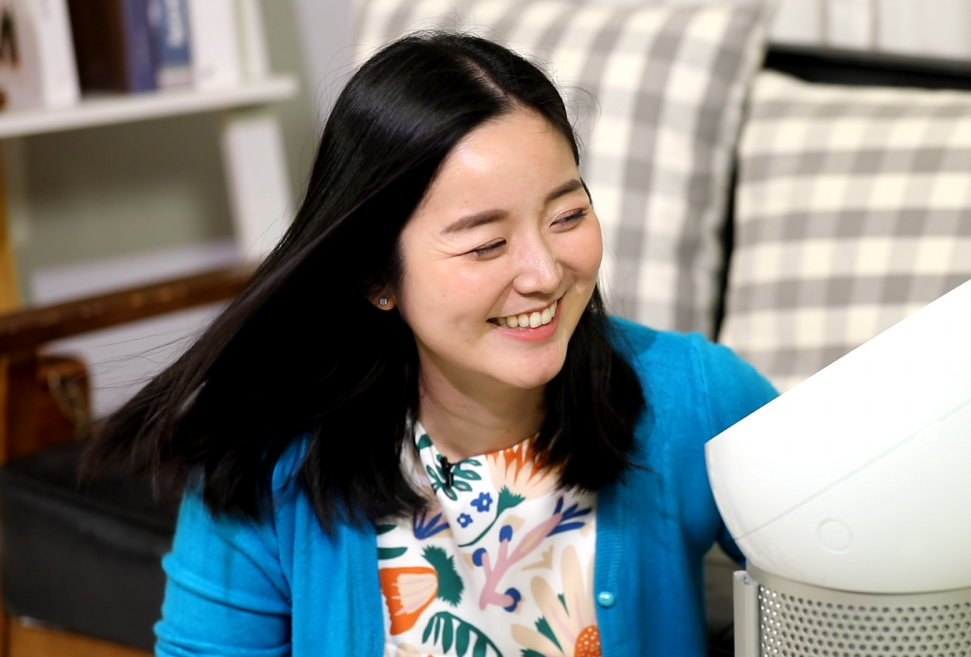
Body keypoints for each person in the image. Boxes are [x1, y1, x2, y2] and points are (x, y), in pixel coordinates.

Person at [87, 32, 777, 657]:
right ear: (376, 275)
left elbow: (833, 593)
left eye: (568, 214)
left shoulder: (693, 395)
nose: (544, 274)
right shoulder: (261, 463)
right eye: (487, 244)